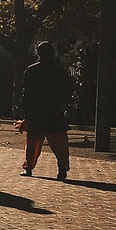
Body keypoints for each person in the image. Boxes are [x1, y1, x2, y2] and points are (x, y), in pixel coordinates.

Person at [19, 41, 72, 179]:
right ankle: (62, 167)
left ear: (38, 53)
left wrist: (24, 111)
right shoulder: (60, 71)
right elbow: (66, 91)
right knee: (59, 142)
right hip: (54, 110)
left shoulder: (31, 70)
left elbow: (27, 93)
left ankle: (28, 167)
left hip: (37, 111)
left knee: (33, 142)